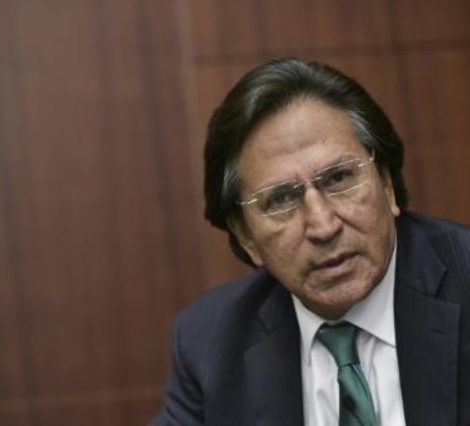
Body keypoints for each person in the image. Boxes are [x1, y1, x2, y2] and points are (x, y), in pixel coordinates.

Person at [152, 58, 470, 425]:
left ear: (386, 184)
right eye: (281, 199)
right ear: (245, 235)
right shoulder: (211, 343)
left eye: (339, 178)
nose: (323, 226)